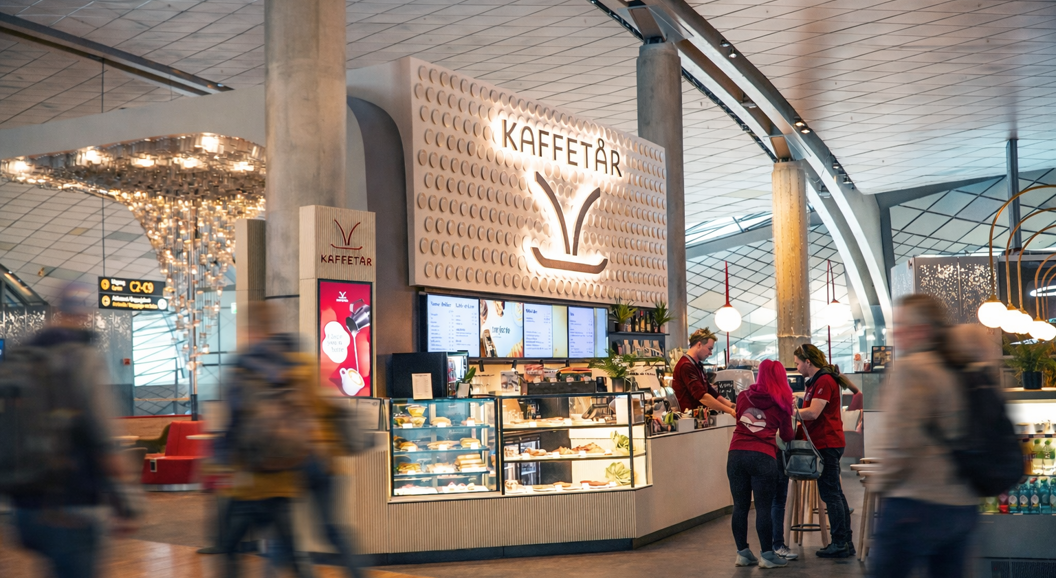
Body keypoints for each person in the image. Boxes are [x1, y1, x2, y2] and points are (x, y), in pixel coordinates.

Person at [2, 283, 142, 578]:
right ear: (85, 316)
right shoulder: (82, 357)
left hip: (22, 505)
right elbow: (102, 437)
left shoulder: (18, 358)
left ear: (54, 312)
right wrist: (128, 503)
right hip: (72, 503)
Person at [869, 295, 989, 578]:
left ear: (921, 329)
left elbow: (901, 442)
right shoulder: (957, 368)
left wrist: (881, 482)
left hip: (915, 501)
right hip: (961, 503)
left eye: (900, 326)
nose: (895, 334)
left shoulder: (912, 370)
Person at [216, 302, 315, 578]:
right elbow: (311, 412)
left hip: (250, 477)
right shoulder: (297, 361)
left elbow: (233, 421)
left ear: (252, 329)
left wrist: (220, 461)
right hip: (286, 473)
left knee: (228, 546)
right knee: (292, 552)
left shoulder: (244, 365)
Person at [727, 359, 794, 569]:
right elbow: (787, 435)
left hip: (736, 454)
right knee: (763, 507)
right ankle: (767, 555)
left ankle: (743, 553)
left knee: (740, 506)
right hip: (763, 457)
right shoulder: (782, 403)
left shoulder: (742, 396)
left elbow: (740, 417)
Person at [793, 342, 854, 558]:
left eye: (798, 363)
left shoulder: (824, 381)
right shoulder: (817, 381)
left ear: (808, 362)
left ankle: (840, 542)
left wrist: (792, 413)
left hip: (827, 443)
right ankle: (845, 540)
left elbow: (814, 413)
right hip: (825, 443)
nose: (797, 368)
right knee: (835, 493)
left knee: (831, 494)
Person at [671, 328, 735, 416]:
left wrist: (731, 405)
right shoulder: (686, 366)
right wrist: (730, 411)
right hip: (688, 420)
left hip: (698, 418)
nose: (710, 353)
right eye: (709, 349)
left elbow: (709, 390)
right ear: (699, 344)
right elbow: (703, 397)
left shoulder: (697, 364)